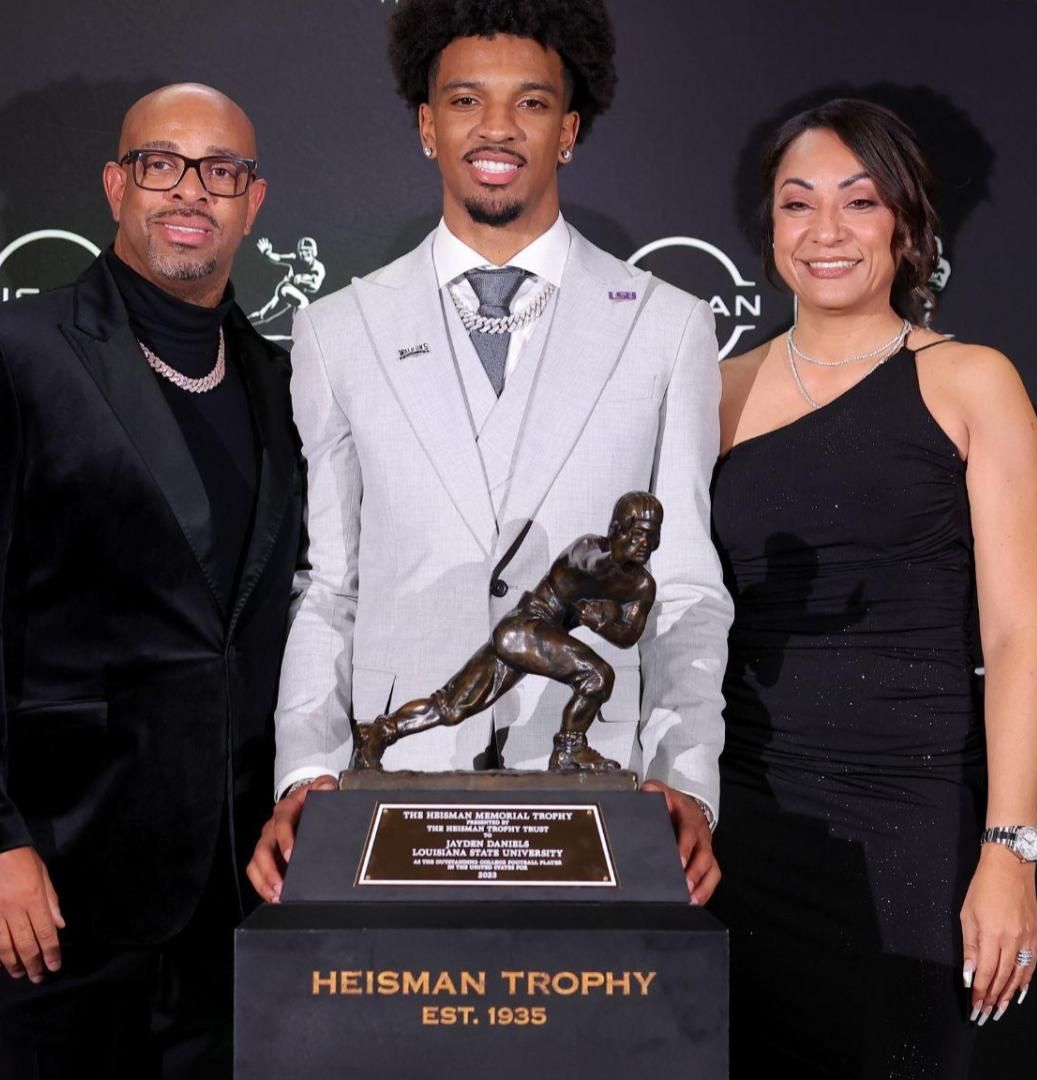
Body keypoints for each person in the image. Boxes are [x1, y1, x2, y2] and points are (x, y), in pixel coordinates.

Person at [247, 0, 728, 907]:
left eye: (532, 103)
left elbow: (688, 587)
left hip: (602, 799)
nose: (497, 128)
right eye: (466, 101)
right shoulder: (336, 331)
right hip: (388, 798)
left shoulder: (669, 328)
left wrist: (687, 776)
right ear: (428, 126)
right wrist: (304, 773)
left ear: (570, 130)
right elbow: (332, 586)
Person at [0, 83, 301, 1078]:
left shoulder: (283, 384)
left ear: (254, 201)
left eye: (221, 171)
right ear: (116, 186)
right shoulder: (4, 355)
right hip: (40, 892)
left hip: (221, 904)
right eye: (161, 164)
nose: (190, 190)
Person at [709, 98, 1037, 1077]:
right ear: (767, 224)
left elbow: (1020, 634)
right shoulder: (713, 392)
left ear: (905, 224)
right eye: (796, 203)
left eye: (858, 204)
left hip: (912, 821)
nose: (825, 232)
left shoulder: (970, 382)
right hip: (746, 823)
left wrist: (1009, 850)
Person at [354, 491, 662, 770]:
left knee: (452, 707)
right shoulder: (587, 549)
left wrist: (601, 621)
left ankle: (381, 732)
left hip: (530, 640)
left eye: (652, 537)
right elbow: (592, 568)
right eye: (637, 535)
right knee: (595, 676)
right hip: (523, 628)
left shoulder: (642, 586)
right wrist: (603, 606)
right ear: (615, 530)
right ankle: (569, 748)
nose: (644, 545)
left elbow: (628, 635)